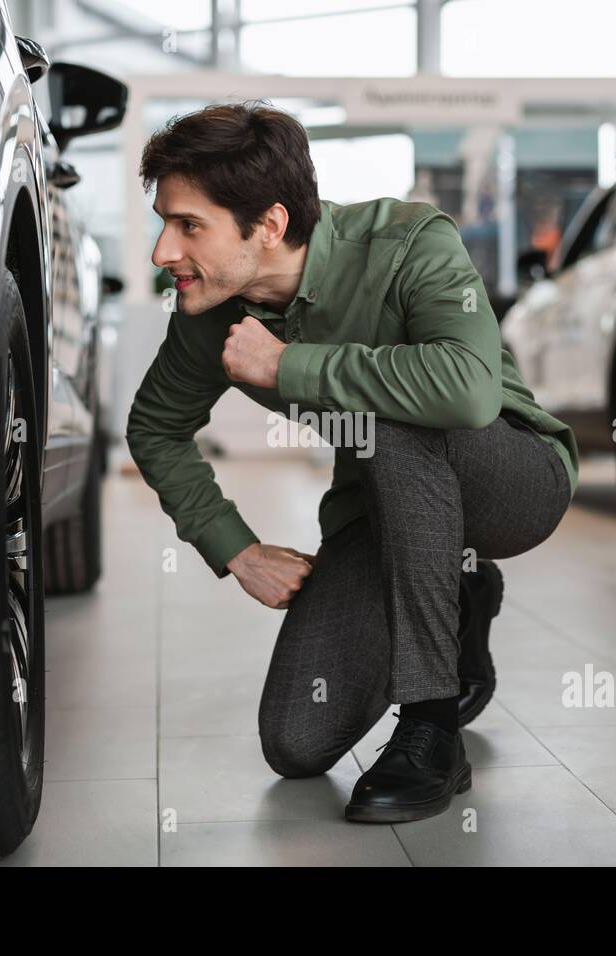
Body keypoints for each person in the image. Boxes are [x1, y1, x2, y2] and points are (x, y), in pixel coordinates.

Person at [126, 101, 578, 823]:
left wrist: (290, 364)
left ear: (269, 225)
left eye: (188, 226)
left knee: (391, 414)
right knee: (296, 743)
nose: (163, 253)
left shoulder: (408, 241)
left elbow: (465, 391)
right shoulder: (208, 312)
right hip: (387, 511)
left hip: (514, 481)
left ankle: (432, 723)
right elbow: (154, 429)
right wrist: (235, 549)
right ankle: (463, 601)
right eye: (164, 223)